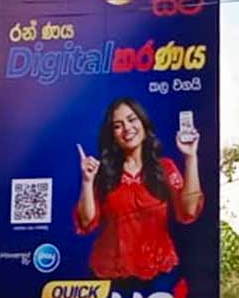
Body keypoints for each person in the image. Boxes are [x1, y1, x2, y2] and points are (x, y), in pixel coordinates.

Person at [73, 97, 203, 286]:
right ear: (112, 134)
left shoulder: (165, 168)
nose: (127, 128)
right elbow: (86, 221)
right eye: (118, 125)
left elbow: (189, 211)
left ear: (143, 123)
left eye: (132, 120)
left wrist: (190, 157)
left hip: (159, 276)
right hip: (110, 277)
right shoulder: (102, 172)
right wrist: (87, 181)